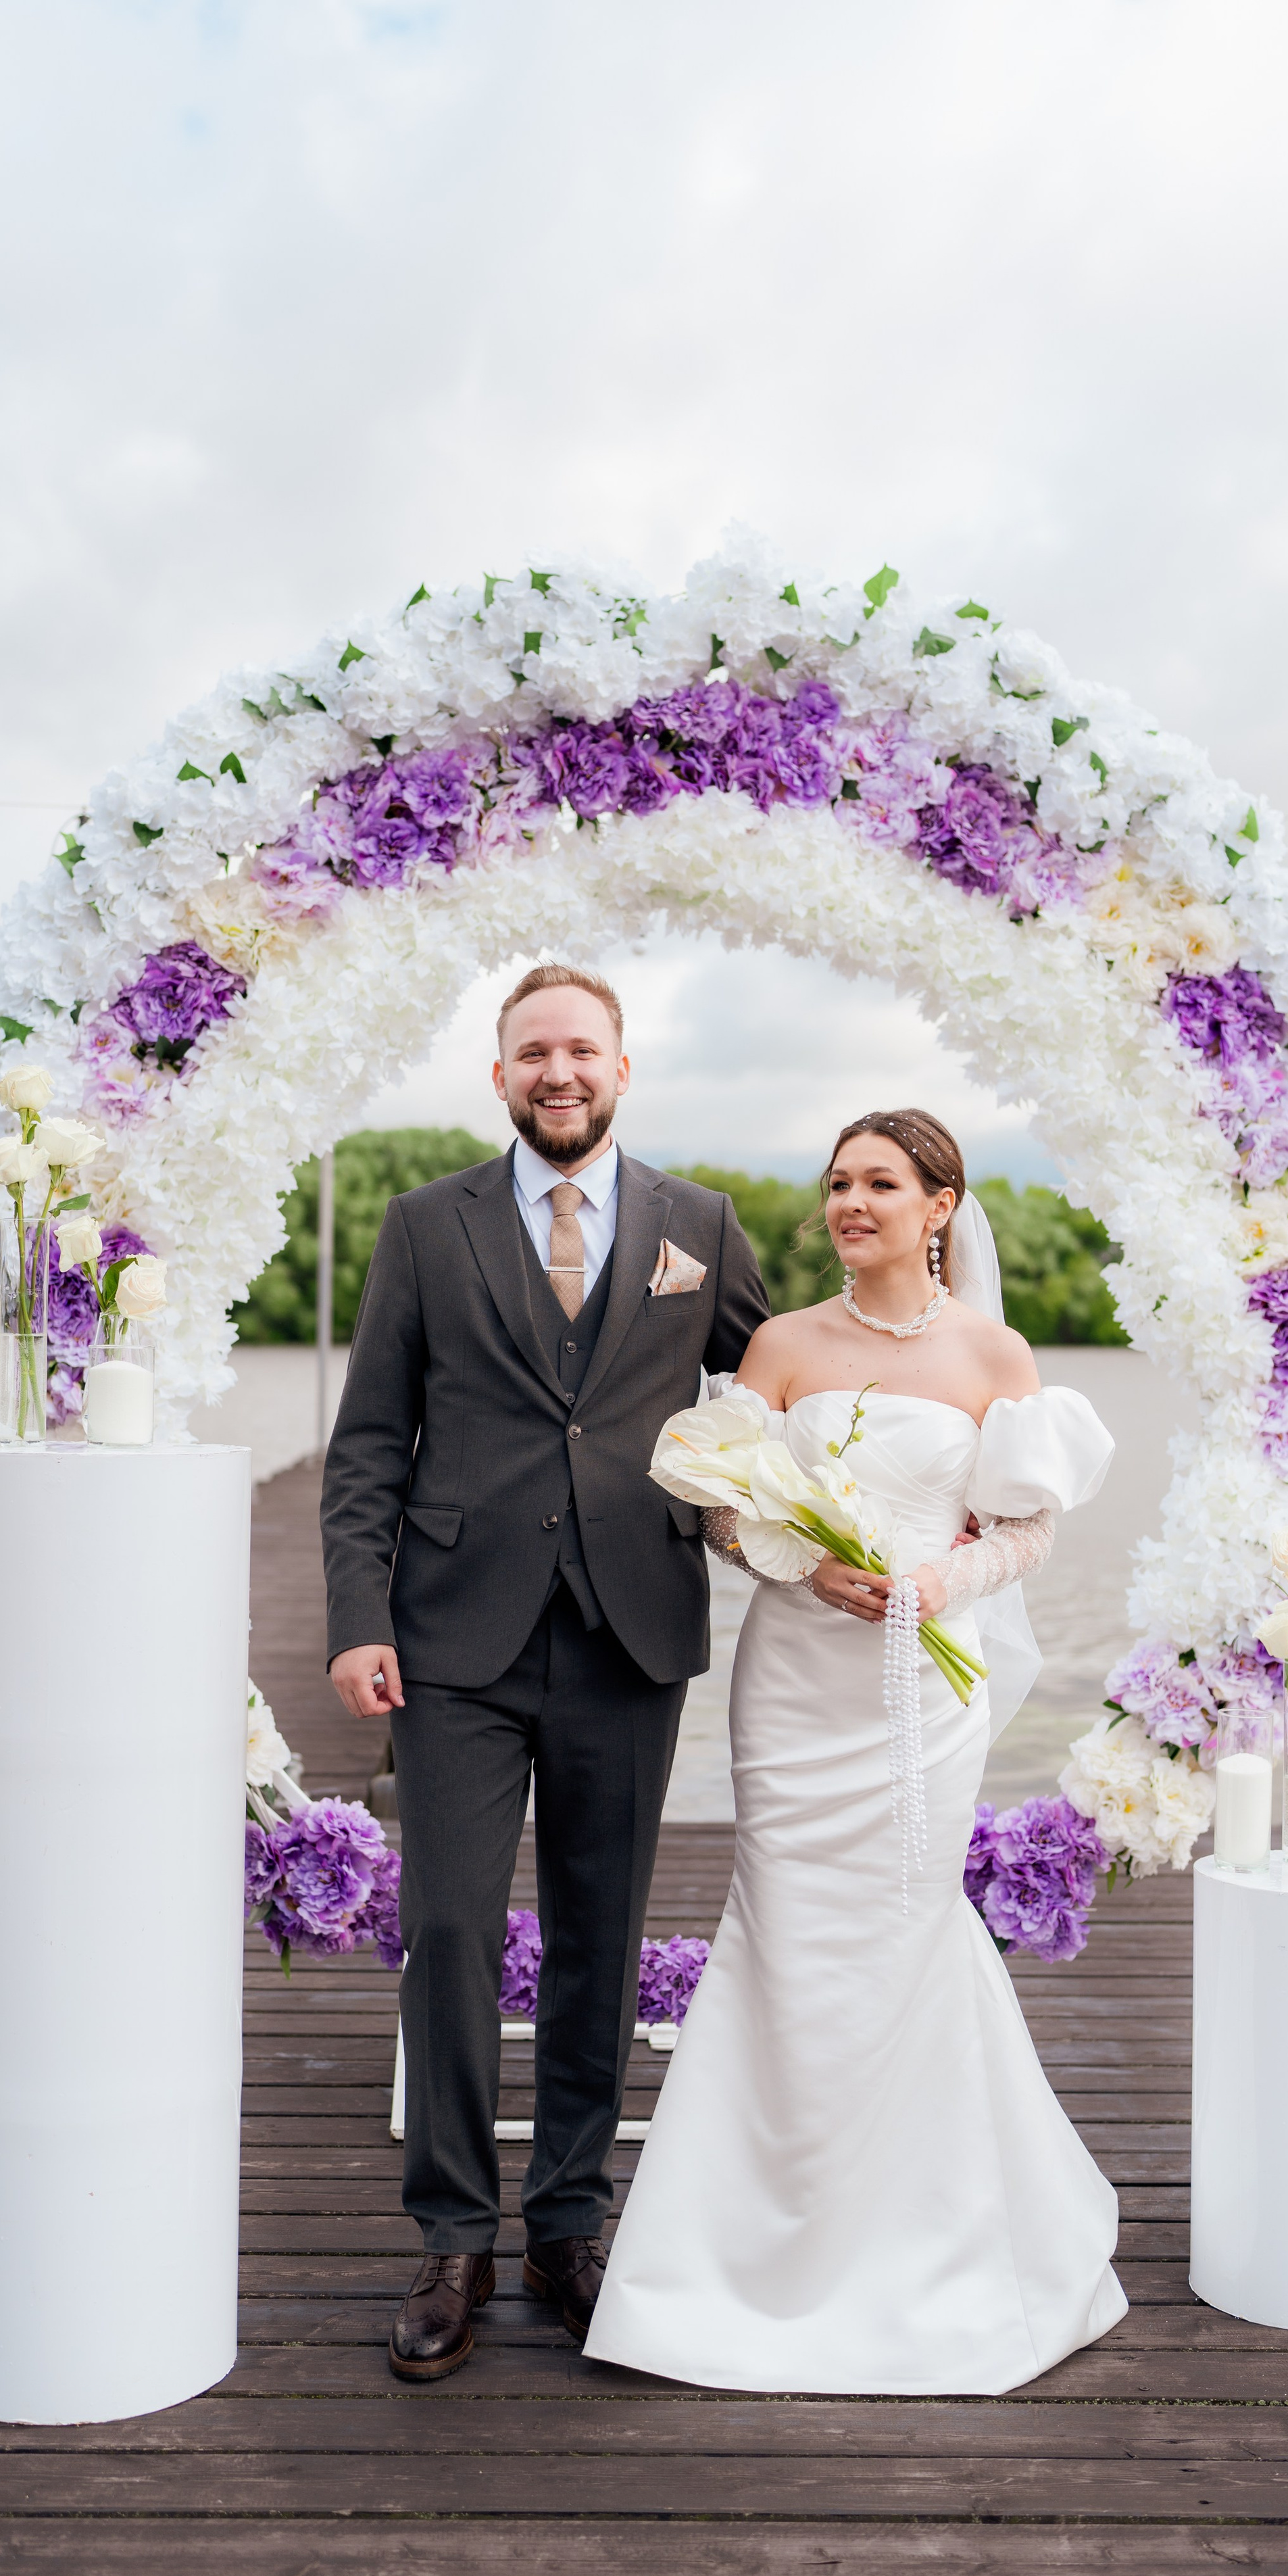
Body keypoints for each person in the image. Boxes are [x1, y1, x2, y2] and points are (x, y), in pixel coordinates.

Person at [587, 1109, 1129, 2393]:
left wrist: (950, 1581)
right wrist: (799, 1559)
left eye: (882, 1183)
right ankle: (739, 2251)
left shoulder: (993, 1352)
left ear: (942, 1205)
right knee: (782, 1932)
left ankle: (930, 2241)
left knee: (900, 1926)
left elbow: (1028, 1533)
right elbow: (725, 1512)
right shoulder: (779, 1344)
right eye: (837, 1183)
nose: (853, 1203)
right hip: (793, 1684)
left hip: (915, 1694)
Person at [320, 965, 768, 2381]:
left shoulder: (697, 1224)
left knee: (599, 1939)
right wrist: (354, 1616)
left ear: (623, 1067)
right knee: (448, 1932)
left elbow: (786, 1389)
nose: (556, 1072)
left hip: (629, 1627)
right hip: (452, 1635)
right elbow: (367, 1447)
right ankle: (451, 2233)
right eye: (531, 1053)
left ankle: (569, 2223)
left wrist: (909, 1421)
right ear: (498, 1075)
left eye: (581, 1049)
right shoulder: (422, 1225)